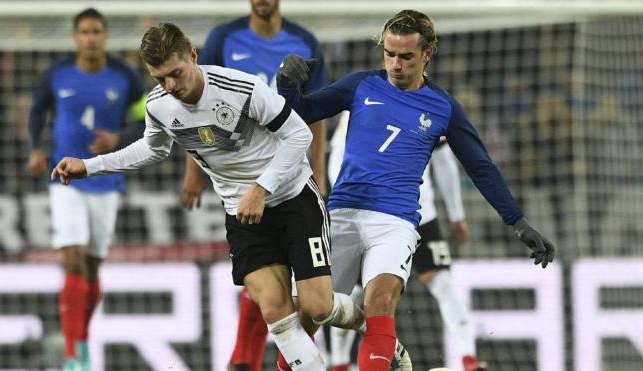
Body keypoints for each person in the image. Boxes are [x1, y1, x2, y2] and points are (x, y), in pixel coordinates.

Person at [50, 23, 364, 371]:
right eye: (160, 79)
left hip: (292, 199)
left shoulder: (241, 88)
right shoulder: (160, 106)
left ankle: (368, 324)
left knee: (317, 307)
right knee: (276, 311)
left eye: (175, 73)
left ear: (193, 57)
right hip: (243, 215)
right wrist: (90, 166)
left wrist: (261, 188)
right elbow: (151, 150)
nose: (170, 86)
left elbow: (298, 136)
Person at [276, 9, 555, 370]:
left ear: (428, 53)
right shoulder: (360, 85)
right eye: (389, 54)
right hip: (342, 212)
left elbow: (480, 167)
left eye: (405, 56)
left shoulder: (444, 108)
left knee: (380, 302)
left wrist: (517, 221)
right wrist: (286, 82)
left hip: (396, 221)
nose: (395, 64)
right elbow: (300, 112)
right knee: (310, 315)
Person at [176, 1, 331, 369]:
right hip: (241, 171)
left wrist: (320, 173)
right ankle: (247, 358)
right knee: (264, 267)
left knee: (311, 293)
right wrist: (193, 174)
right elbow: (195, 105)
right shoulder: (224, 38)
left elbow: (315, 113)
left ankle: (270, 358)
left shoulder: (304, 41)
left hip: (291, 173)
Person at [25, 8, 145, 371]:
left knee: (92, 268)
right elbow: (36, 112)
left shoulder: (125, 76)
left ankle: (81, 340)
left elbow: (147, 121)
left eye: (96, 31)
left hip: (106, 180)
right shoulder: (57, 74)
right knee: (73, 257)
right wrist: (34, 147)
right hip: (64, 177)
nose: (90, 38)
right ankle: (72, 353)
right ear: (75, 37)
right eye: (84, 32)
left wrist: (119, 138)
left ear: (105, 36)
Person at [326, 114, 487, 371]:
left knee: (442, 281)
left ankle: (469, 360)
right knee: (353, 293)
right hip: (370, 217)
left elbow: (444, 160)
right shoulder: (359, 104)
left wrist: (456, 215)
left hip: (419, 213)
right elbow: (338, 157)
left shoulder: (433, 108)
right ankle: (340, 363)